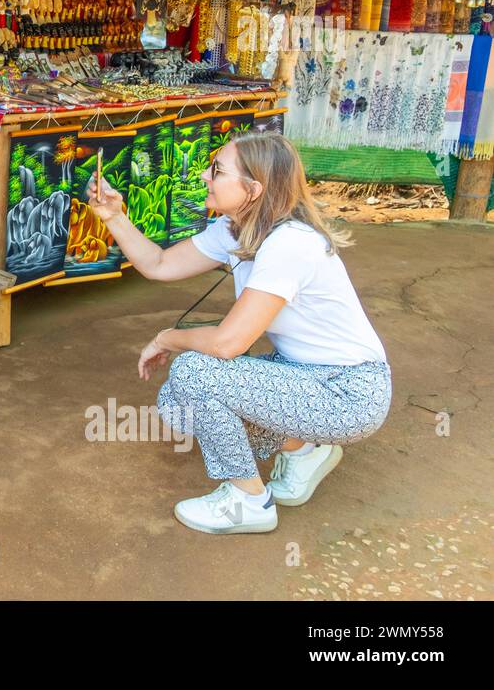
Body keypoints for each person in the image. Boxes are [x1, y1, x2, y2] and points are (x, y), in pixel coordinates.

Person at [85, 131, 390, 535]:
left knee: (195, 372)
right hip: (306, 377)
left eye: (217, 171)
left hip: (349, 393)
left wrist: (165, 338)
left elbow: (228, 344)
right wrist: (114, 217)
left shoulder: (290, 244)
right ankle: (303, 451)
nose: (206, 177)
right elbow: (158, 263)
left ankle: (248, 500)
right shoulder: (235, 229)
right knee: (176, 402)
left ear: (253, 188)